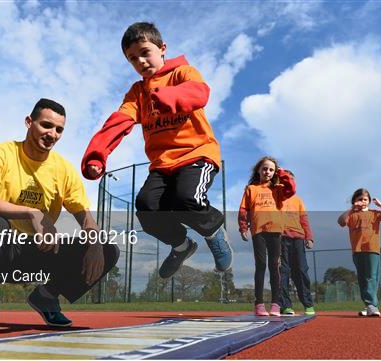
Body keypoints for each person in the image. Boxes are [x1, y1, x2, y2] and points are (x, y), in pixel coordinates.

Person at [81, 22, 231, 279]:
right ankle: (182, 246)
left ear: (162, 49)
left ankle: (214, 230)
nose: (140, 61)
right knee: (146, 207)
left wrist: (167, 97)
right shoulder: (137, 92)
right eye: (132, 59)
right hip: (163, 164)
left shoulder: (183, 72)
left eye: (145, 52)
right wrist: (98, 154)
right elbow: (120, 120)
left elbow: (199, 93)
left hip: (196, 153)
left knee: (187, 199)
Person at [0, 98, 119, 331]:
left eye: (59, 130)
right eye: (46, 125)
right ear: (29, 122)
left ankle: (45, 296)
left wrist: (95, 246)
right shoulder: (2, 154)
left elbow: (86, 218)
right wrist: (31, 212)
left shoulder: (63, 169)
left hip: (36, 253)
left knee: (107, 249)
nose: (52, 134)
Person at [238, 156, 295, 316]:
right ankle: (259, 303)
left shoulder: (278, 189)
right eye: (264, 168)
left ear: (274, 172)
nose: (267, 172)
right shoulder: (251, 189)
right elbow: (244, 210)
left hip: (276, 231)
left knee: (274, 266)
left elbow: (291, 189)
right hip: (258, 231)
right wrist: (243, 227)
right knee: (261, 265)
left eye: (271, 169)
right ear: (258, 170)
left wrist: (281, 173)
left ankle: (276, 304)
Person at [338, 188, 381, 317]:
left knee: (371, 277)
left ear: (368, 201)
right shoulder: (351, 215)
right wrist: (352, 208)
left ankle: (372, 305)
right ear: (354, 201)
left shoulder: (375, 213)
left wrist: (379, 204)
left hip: (372, 249)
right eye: (359, 199)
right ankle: (368, 305)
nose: (362, 201)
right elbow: (341, 221)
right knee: (363, 279)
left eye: (365, 199)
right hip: (357, 250)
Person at [278, 170, 315, 316]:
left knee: (301, 270)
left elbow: (304, 220)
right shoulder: (276, 197)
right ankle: (285, 305)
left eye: (291, 179)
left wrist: (309, 237)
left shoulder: (298, 200)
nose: (288, 182)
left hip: (298, 238)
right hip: (280, 239)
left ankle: (308, 304)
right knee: (283, 272)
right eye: (285, 179)